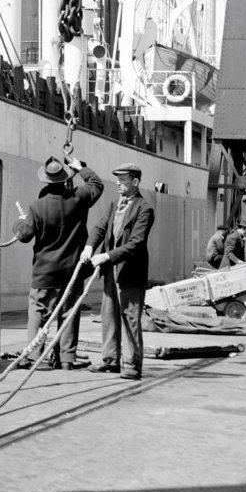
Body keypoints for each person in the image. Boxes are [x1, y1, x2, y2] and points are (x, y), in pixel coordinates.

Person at [12, 155, 103, 370]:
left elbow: (24, 235)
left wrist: (18, 222)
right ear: (64, 178)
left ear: (45, 181)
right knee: (69, 312)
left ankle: (35, 356)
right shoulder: (79, 198)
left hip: (44, 271)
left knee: (38, 312)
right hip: (73, 270)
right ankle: (67, 359)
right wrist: (81, 167)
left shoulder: (37, 207)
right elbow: (97, 185)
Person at [81, 162, 155, 381]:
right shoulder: (115, 203)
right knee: (109, 315)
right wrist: (89, 246)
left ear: (135, 182)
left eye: (122, 180)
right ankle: (109, 360)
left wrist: (107, 256)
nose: (118, 183)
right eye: (117, 179)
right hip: (111, 271)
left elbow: (136, 243)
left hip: (130, 272)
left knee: (130, 318)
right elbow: (101, 226)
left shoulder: (145, 208)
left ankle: (132, 364)